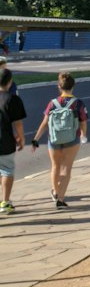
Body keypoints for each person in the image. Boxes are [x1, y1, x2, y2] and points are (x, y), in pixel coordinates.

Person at [31, 72, 87, 209]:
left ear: (59, 87)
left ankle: (55, 191)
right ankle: (61, 199)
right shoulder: (78, 103)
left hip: (54, 139)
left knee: (55, 166)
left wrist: (35, 139)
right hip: (72, 138)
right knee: (66, 168)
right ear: (73, 86)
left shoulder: (53, 103)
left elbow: (45, 122)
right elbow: (83, 121)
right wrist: (83, 135)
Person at [0, 68, 27, 214]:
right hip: (5, 141)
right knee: (7, 170)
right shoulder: (13, 99)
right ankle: (5, 202)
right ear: (10, 82)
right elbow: (18, 123)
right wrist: (21, 138)